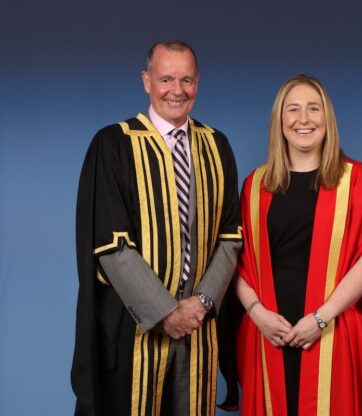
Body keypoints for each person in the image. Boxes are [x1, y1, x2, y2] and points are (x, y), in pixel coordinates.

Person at [71, 40, 242, 416]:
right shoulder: (114, 144)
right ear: (146, 80)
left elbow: (231, 238)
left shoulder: (216, 146)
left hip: (198, 329)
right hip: (136, 328)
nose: (176, 91)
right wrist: (166, 312)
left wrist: (202, 303)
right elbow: (111, 246)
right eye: (166, 79)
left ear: (198, 83)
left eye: (186, 80)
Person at [234, 75, 362, 416]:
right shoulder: (255, 185)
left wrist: (322, 318)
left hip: (331, 329)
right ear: (280, 121)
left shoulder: (355, 181)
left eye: (314, 109)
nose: (304, 119)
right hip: (270, 330)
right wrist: (257, 314)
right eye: (293, 109)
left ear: (328, 119)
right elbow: (238, 263)